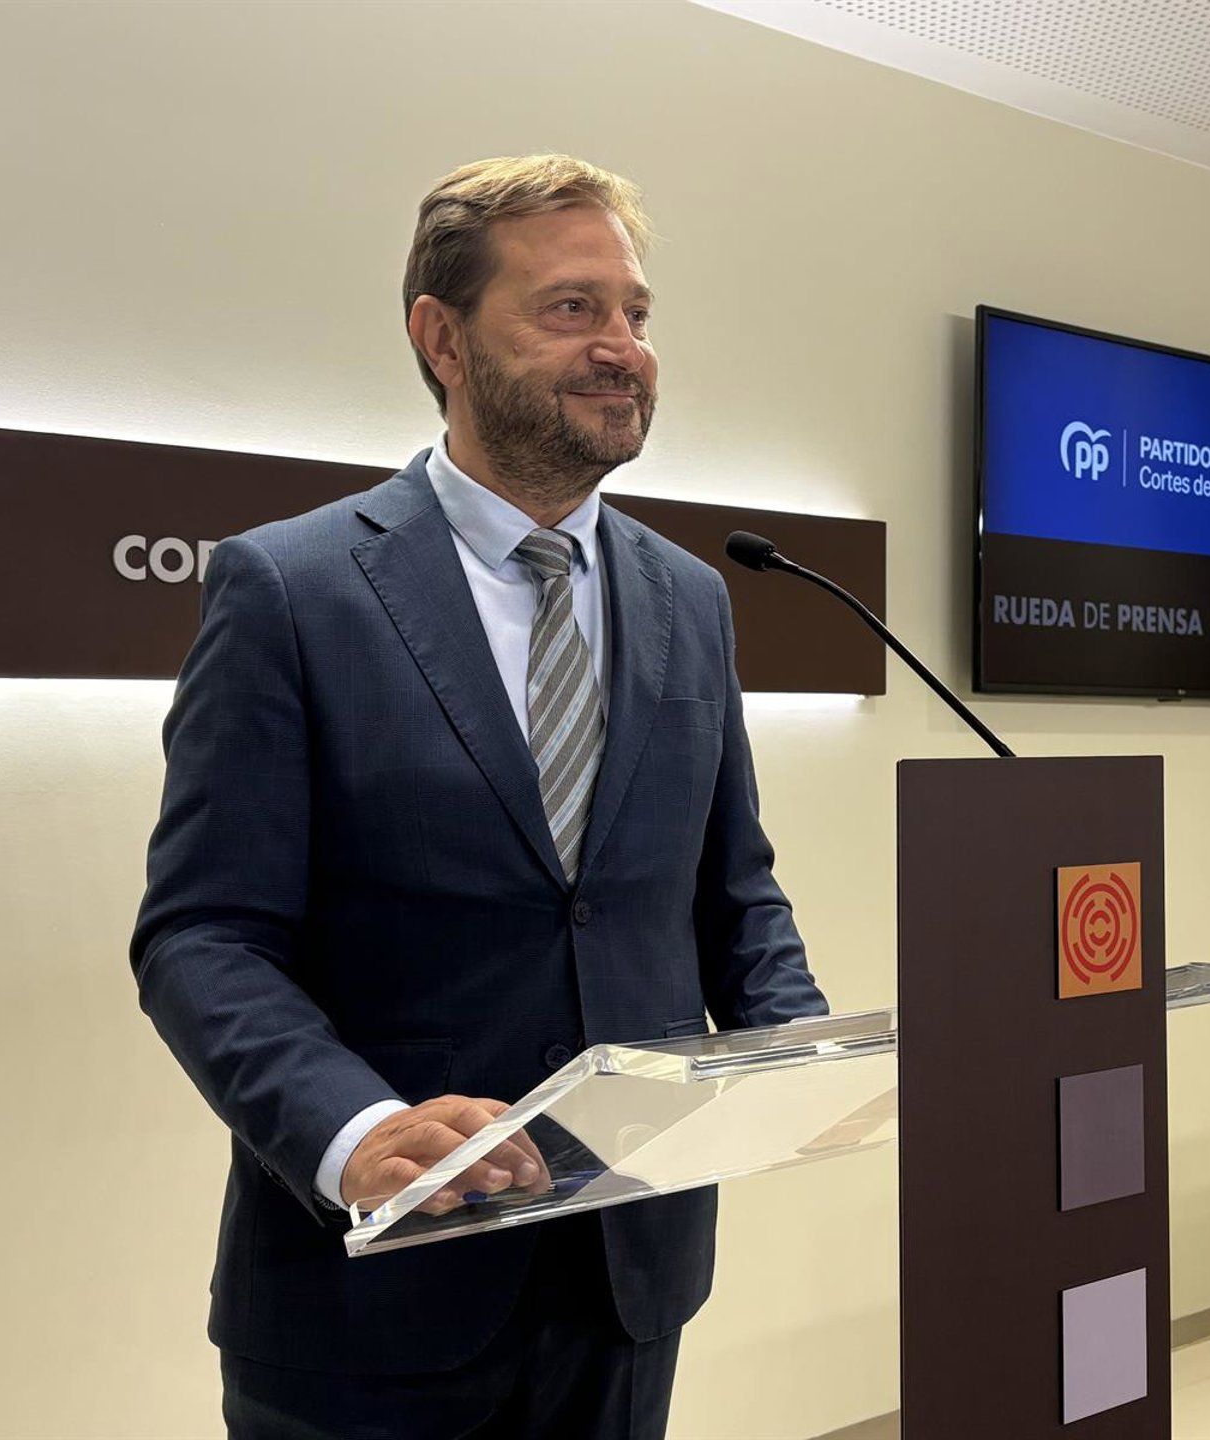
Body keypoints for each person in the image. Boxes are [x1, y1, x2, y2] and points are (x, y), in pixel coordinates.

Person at [130, 154, 828, 1439]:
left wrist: (800, 1047)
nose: (622, 347)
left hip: (627, 1276)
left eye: (635, 313)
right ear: (441, 338)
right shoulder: (291, 589)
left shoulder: (690, 596)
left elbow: (730, 889)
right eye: (571, 308)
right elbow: (203, 937)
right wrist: (355, 1131)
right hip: (374, 1296)